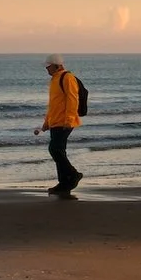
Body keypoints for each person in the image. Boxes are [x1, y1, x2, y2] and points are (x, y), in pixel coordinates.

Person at [32, 56, 84, 197]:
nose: (46, 69)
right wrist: (46, 123)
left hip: (65, 121)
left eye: (48, 66)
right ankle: (64, 182)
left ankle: (73, 175)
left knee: (55, 149)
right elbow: (53, 104)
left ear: (57, 66)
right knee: (58, 150)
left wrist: (68, 120)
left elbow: (72, 99)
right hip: (56, 121)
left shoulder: (67, 78)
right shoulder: (54, 79)